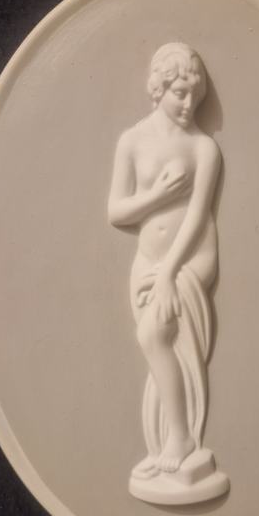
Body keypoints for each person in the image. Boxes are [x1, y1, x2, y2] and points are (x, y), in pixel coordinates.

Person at [108, 43, 221, 478]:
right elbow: (116, 212)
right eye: (179, 93)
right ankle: (164, 442)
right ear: (158, 88)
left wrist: (171, 272)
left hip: (190, 260)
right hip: (146, 261)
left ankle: (181, 438)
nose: (189, 104)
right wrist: (157, 196)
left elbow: (197, 216)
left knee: (153, 337)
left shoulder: (204, 149)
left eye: (196, 95)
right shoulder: (132, 142)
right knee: (158, 346)